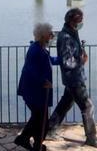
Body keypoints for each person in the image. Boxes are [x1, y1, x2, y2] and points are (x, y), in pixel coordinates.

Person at [44, 8, 97, 148]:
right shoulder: (66, 37)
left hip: (75, 77)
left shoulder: (72, 32)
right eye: (80, 20)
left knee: (66, 103)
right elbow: (67, 62)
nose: (81, 22)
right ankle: (91, 137)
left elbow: (73, 54)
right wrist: (81, 60)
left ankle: (50, 129)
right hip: (73, 79)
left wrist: (80, 53)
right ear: (72, 21)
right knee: (87, 106)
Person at [15, 22, 59, 151]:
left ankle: (34, 143)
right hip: (33, 91)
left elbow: (50, 60)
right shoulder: (35, 49)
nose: (52, 35)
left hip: (36, 91)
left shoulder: (40, 48)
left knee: (39, 118)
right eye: (49, 33)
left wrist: (64, 60)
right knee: (40, 118)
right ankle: (30, 141)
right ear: (42, 35)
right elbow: (30, 70)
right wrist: (43, 81)